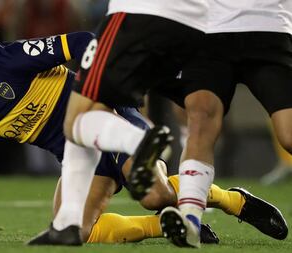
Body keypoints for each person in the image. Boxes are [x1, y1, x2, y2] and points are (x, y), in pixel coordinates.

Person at [0, 30, 287, 245]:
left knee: (154, 195)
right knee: (79, 231)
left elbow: (82, 42)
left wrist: (107, 86)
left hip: (110, 121)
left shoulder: (6, 59)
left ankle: (232, 201)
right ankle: (173, 225)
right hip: (78, 158)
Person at [27, 0, 213, 247]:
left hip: (136, 16)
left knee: (76, 119)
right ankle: (198, 213)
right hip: (197, 24)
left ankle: (137, 141)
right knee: (201, 115)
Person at [157, 0, 292, 248]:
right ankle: (190, 221)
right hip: (209, 31)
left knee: (289, 135)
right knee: (200, 119)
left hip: (269, 27)